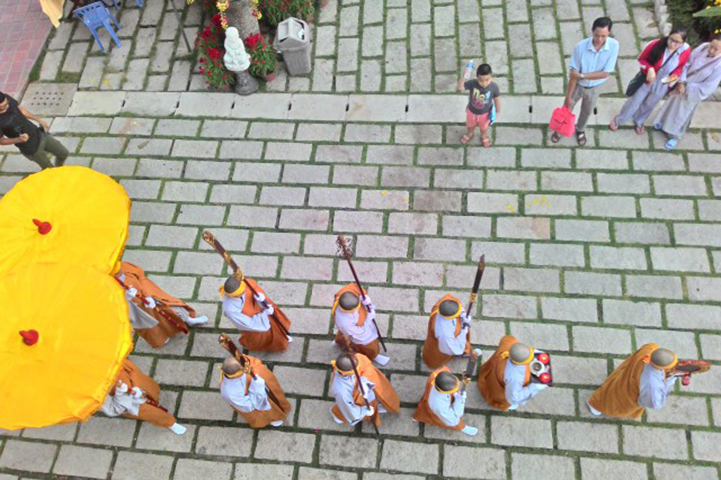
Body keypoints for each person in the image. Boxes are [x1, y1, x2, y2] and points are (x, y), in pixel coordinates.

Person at [553, 17, 619, 146]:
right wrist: (568, 96)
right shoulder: (581, 47)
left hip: (595, 87)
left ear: (609, 33)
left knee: (587, 111)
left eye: (604, 36)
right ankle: (560, 129)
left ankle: (580, 129)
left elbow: (605, 73)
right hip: (577, 85)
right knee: (567, 107)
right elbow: (573, 75)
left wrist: (582, 76)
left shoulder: (614, 46)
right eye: (597, 35)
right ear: (592, 31)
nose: (600, 39)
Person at [610, 28, 691, 135]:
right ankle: (620, 118)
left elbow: (680, 66)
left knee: (650, 104)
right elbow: (641, 59)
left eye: (677, 42)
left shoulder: (686, 50)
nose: (672, 44)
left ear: (683, 42)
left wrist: (672, 79)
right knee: (635, 101)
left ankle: (639, 121)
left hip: (664, 81)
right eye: (671, 39)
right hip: (647, 78)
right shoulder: (655, 44)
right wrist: (649, 69)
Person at [114, 261, 208, 348]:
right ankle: (161, 338)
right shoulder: (108, 287)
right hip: (134, 309)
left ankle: (188, 320)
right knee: (149, 326)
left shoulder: (123, 267)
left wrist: (147, 294)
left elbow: (141, 277)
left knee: (171, 308)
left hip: (150, 298)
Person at [653, 34, 721, 149]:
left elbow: (709, 86)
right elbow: (687, 63)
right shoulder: (703, 47)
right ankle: (662, 122)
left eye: (716, 49)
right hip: (682, 82)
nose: (711, 50)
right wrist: (681, 81)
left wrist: (687, 87)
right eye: (711, 46)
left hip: (692, 92)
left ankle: (675, 136)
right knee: (670, 105)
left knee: (682, 114)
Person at [587, 345, 679, 419]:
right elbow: (653, 402)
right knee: (616, 402)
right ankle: (596, 405)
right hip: (630, 391)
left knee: (614, 383)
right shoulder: (652, 383)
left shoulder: (651, 347)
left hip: (628, 373)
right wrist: (669, 381)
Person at [101, 359, 186, 435]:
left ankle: (155, 400)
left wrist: (135, 382)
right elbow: (114, 409)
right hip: (132, 404)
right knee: (152, 413)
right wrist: (120, 392)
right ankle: (169, 423)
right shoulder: (95, 393)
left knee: (151, 390)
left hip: (135, 380)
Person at [221, 275, 292, 351]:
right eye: (241, 293)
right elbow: (249, 324)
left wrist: (262, 300)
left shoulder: (244, 283)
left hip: (261, 310)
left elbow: (253, 289)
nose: (244, 292)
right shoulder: (230, 310)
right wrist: (264, 314)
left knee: (276, 323)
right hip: (256, 321)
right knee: (260, 337)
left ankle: (282, 335)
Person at [477, 335, 548, 411]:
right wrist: (535, 387)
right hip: (500, 389)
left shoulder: (509, 343)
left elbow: (506, 339)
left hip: (493, 371)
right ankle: (508, 406)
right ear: (522, 362)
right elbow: (514, 397)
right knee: (506, 398)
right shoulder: (515, 377)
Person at [0, 91, 68, 169]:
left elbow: (20, 109)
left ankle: (60, 169)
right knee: (49, 169)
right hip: (31, 148)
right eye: (3, 106)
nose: (8, 106)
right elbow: (2, 141)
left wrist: (38, 119)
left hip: (39, 134)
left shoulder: (4, 97)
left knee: (63, 153)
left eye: (7, 103)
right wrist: (19, 139)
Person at [330, 352, 400, 427]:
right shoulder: (341, 390)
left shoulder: (357, 358)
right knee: (344, 410)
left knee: (372, 400)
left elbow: (366, 366)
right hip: (354, 398)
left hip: (364, 391)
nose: (357, 371)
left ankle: (374, 406)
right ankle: (338, 415)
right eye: (354, 371)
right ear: (344, 373)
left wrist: (364, 381)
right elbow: (347, 407)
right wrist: (364, 411)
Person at [219, 355, 291, 428]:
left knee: (277, 395)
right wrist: (257, 386)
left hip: (268, 388)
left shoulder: (242, 359)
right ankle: (273, 418)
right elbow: (250, 406)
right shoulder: (230, 392)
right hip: (259, 401)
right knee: (265, 412)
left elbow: (255, 363)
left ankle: (280, 407)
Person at [332, 283, 390, 366]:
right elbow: (360, 334)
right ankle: (373, 355)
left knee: (342, 336)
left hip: (355, 326)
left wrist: (364, 297)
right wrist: (368, 318)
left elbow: (356, 287)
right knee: (368, 345)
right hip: (358, 332)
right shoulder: (344, 322)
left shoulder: (347, 291)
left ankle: (339, 342)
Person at [413, 367, 478, 436]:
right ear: (445, 391)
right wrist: (460, 400)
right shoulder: (439, 406)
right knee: (453, 422)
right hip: (436, 409)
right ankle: (462, 427)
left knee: (423, 408)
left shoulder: (439, 373)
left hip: (430, 393)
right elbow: (454, 417)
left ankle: (416, 417)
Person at [422, 295, 476, 369]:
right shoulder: (445, 333)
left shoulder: (445, 301)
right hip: (441, 345)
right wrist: (464, 329)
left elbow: (459, 306)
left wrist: (463, 314)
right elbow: (455, 347)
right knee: (435, 356)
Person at [457, 63, 501, 147]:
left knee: (484, 127)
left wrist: (497, 112)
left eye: (487, 80)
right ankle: (470, 134)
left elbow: (497, 99)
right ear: (477, 78)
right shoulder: (473, 83)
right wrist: (463, 76)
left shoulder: (494, 87)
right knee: (470, 125)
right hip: (471, 111)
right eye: (481, 80)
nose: (484, 83)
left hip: (485, 114)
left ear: (491, 77)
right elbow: (460, 87)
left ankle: (483, 136)